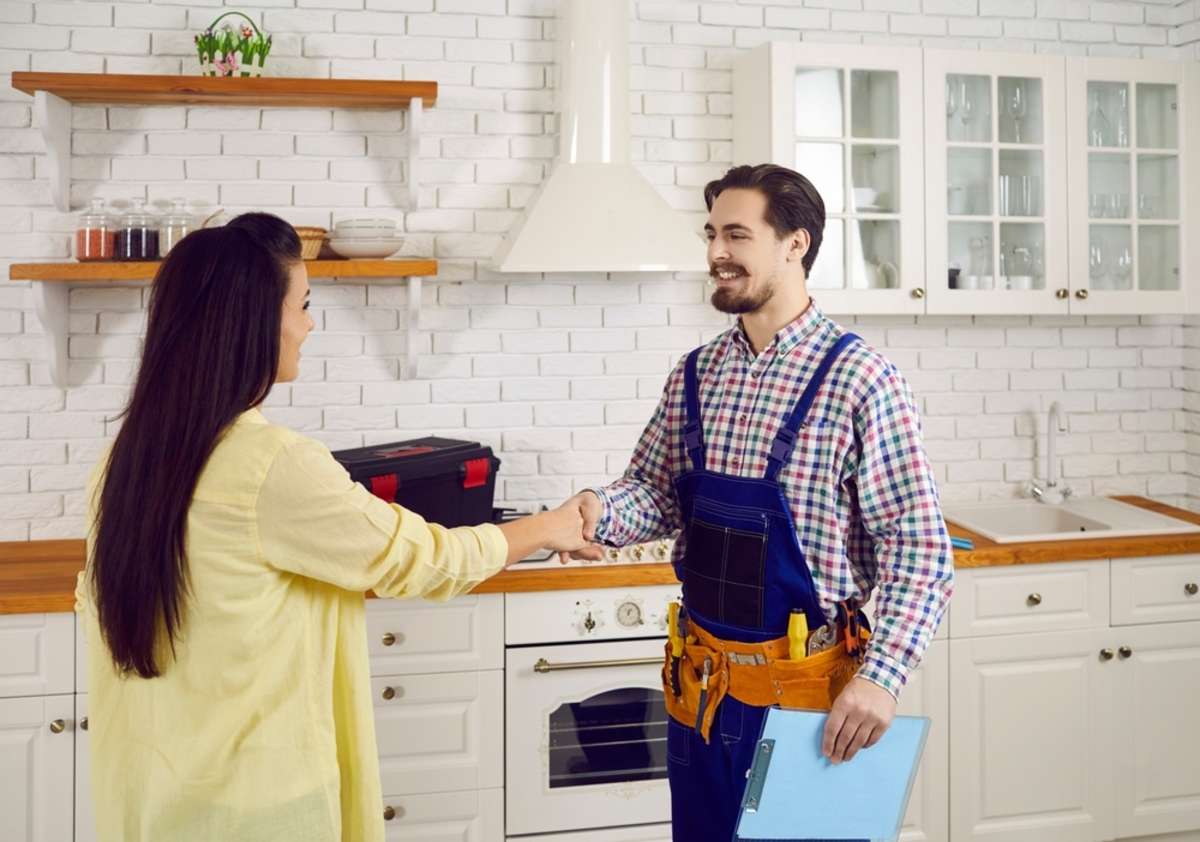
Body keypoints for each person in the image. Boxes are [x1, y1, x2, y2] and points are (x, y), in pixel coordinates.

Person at [74, 213, 589, 842]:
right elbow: (423, 559)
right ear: (255, 322)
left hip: (151, 799)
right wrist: (549, 526)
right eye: (304, 305)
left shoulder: (124, 460)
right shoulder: (270, 464)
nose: (310, 326)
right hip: (257, 807)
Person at [560, 164, 954, 840]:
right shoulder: (698, 372)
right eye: (711, 234)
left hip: (807, 706)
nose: (716, 253)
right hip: (698, 695)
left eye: (736, 235)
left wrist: (883, 677)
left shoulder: (862, 380)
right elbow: (655, 493)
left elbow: (920, 552)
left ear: (794, 244)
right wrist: (596, 510)